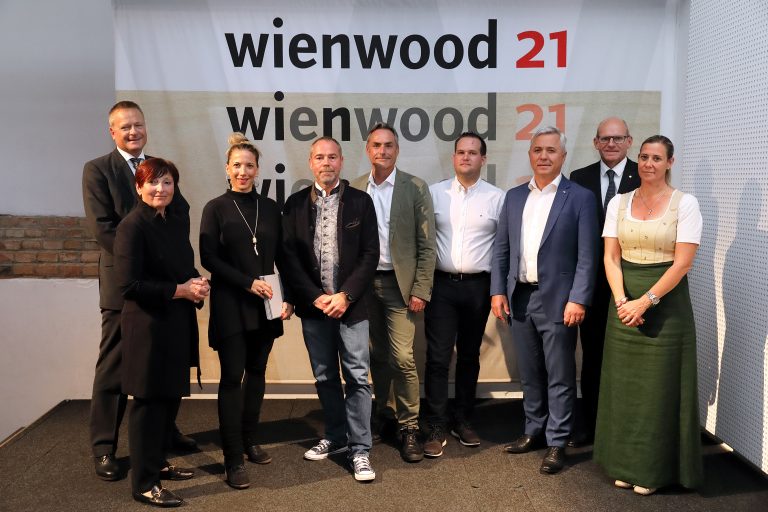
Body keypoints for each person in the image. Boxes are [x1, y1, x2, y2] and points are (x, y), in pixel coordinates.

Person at [82, 101, 195, 482]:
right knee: (115, 368)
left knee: (164, 364)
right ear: (112, 132)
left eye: (138, 125)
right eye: (125, 126)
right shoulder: (98, 169)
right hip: (125, 285)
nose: (133, 132)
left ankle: (164, 436)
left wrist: (168, 270)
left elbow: (180, 213)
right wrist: (142, 263)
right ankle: (104, 446)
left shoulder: (159, 169)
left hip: (164, 285)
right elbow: (102, 228)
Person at [594, 135, 703, 495]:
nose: (648, 164)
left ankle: (654, 471)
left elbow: (683, 263)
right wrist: (622, 301)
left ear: (670, 162)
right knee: (624, 388)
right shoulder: (619, 202)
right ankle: (624, 465)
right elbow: (611, 257)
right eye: (643, 157)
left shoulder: (685, 204)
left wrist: (645, 302)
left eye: (656, 158)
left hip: (666, 305)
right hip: (623, 304)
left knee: (659, 390)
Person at [491, 126, 599, 474]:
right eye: (537, 149)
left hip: (560, 300)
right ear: (530, 155)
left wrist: (578, 298)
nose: (543, 156)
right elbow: (501, 250)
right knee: (530, 371)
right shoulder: (514, 197)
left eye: (551, 150)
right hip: (520, 297)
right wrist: (497, 290)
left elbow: (588, 256)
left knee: (560, 374)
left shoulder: (580, 197)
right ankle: (533, 430)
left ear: (563, 156)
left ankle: (557, 440)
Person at [281, 136, 379, 481]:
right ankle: (337, 436)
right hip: (314, 309)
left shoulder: (361, 202)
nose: (326, 163)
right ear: (311, 163)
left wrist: (345, 295)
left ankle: (360, 449)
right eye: (320, 157)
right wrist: (314, 296)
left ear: (341, 161)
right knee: (324, 376)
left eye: (332, 157)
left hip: (351, 307)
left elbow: (370, 254)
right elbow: (288, 258)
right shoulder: (294, 204)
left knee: (357, 377)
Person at [199, 133, 293, 489]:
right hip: (231, 303)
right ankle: (232, 456)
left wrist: (288, 298)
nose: (243, 171)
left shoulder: (270, 208)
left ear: (257, 169)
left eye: (249, 165)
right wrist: (247, 282)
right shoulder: (215, 208)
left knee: (257, 372)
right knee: (231, 378)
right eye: (237, 165)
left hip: (266, 302)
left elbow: (282, 256)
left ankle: (250, 439)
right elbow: (209, 258)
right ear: (227, 168)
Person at [114, 158, 208, 507]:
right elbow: (129, 285)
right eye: (153, 182)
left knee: (169, 400)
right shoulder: (132, 226)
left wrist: (196, 283)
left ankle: (158, 464)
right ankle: (144, 483)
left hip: (175, 324)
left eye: (167, 182)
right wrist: (180, 290)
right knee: (148, 406)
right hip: (147, 328)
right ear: (139, 186)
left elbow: (181, 267)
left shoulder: (173, 220)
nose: (161, 189)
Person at [350, 123, 436, 463]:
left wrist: (421, 289)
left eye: (388, 145)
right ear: (368, 150)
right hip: (364, 286)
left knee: (402, 358)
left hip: (401, 286)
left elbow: (427, 245)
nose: (382, 151)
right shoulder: (355, 187)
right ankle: (381, 415)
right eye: (376, 145)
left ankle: (409, 426)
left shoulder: (415, 187)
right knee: (376, 356)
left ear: (397, 150)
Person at [422, 132, 504, 457]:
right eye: (460, 152)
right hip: (441, 285)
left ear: (483, 158)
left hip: (478, 287)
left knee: (469, 356)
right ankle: (436, 425)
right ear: (453, 157)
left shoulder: (497, 198)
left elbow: (502, 250)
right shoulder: (434, 194)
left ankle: (463, 419)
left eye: (472, 152)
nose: (466, 157)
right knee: (438, 357)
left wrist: (498, 291)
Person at [569, 117, 640, 445]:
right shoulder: (579, 178)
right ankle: (592, 424)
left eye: (618, 138)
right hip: (592, 285)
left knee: (630, 357)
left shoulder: (643, 174)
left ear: (629, 141)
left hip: (633, 284)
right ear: (596, 143)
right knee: (593, 356)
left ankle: (625, 426)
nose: (611, 144)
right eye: (605, 139)